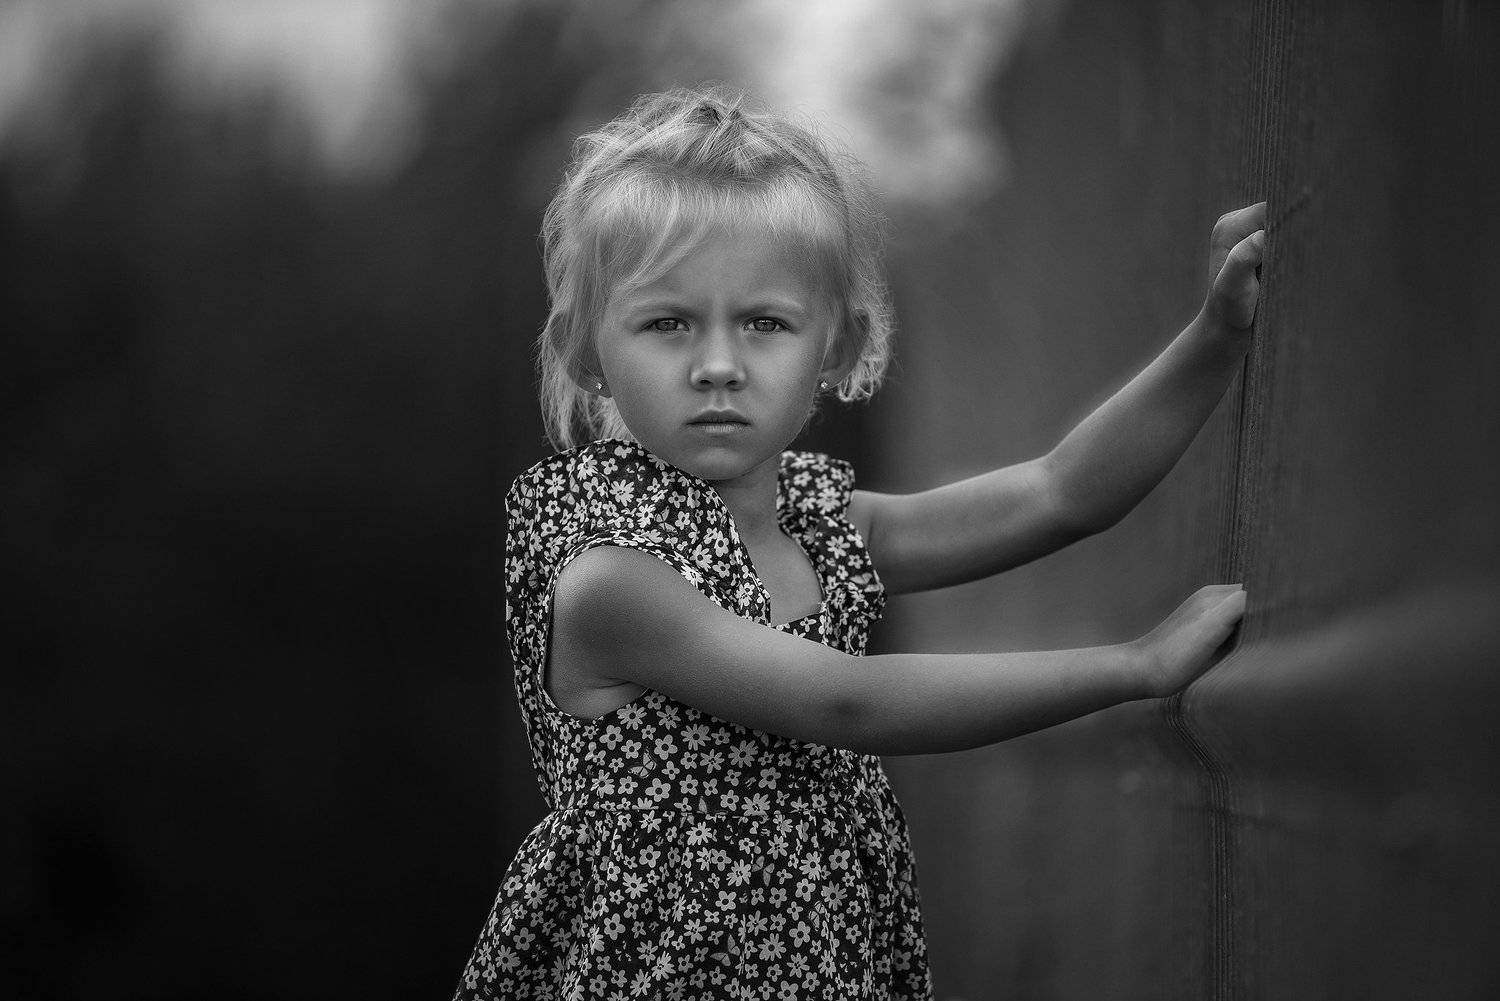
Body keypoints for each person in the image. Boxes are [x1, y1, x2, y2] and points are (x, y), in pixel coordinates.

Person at [453, 85, 1266, 1001]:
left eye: (764, 323)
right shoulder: (611, 574)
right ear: (584, 350)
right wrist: (1135, 665)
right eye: (666, 322)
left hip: (826, 960)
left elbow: (1061, 493)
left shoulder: (818, 522)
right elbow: (847, 701)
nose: (717, 365)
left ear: (836, 346)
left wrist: (1216, 335)